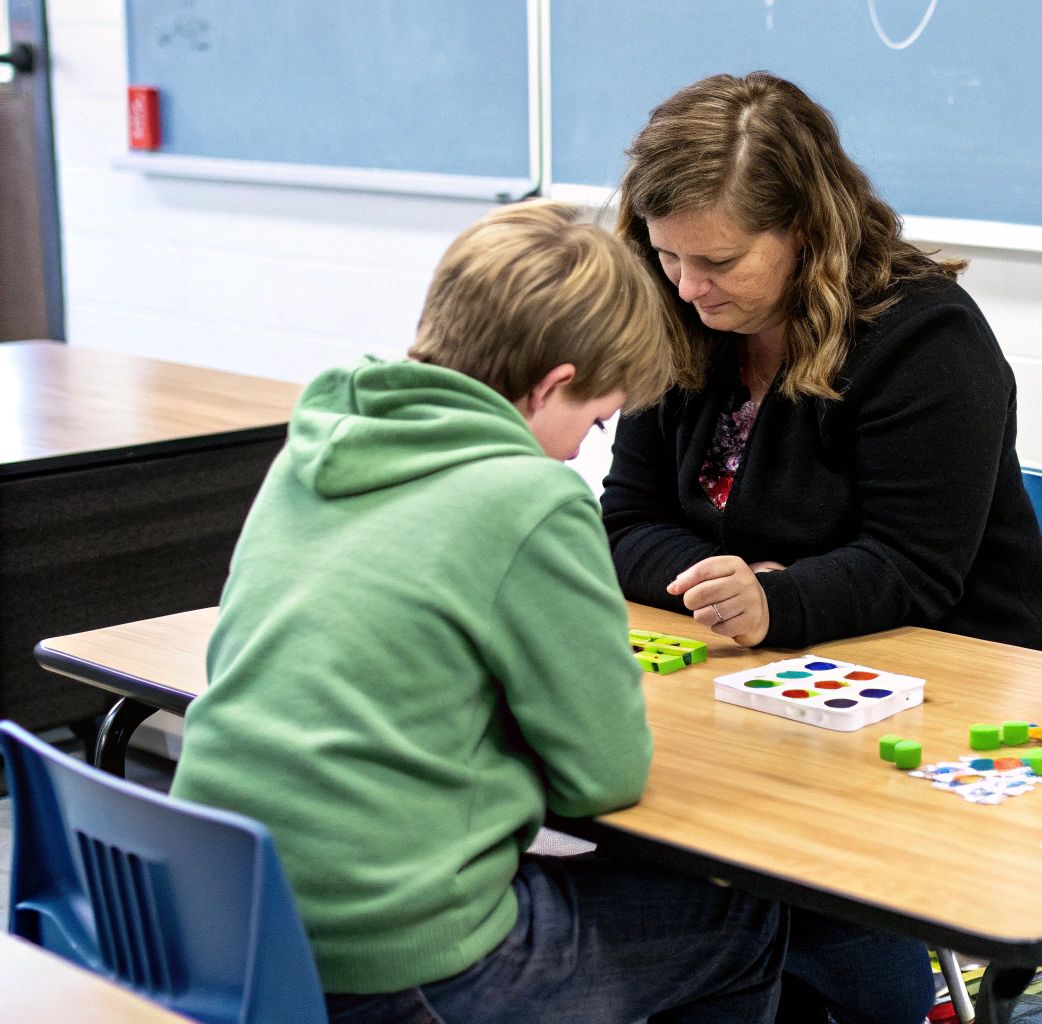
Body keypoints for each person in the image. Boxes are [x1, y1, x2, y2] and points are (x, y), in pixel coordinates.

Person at [168, 199, 786, 1024]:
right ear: (553, 386)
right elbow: (603, 773)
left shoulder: (316, 444)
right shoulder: (529, 495)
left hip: (217, 927)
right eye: (594, 421)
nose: (580, 450)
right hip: (387, 959)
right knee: (738, 919)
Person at [601, 72, 1042, 1024]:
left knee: (780, 866)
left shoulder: (924, 337)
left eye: (720, 261)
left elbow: (914, 566)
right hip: (764, 667)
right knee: (659, 819)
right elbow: (622, 521)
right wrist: (723, 586)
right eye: (667, 257)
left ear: (806, 231)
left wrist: (780, 602)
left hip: (960, 663)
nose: (688, 287)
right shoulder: (681, 318)